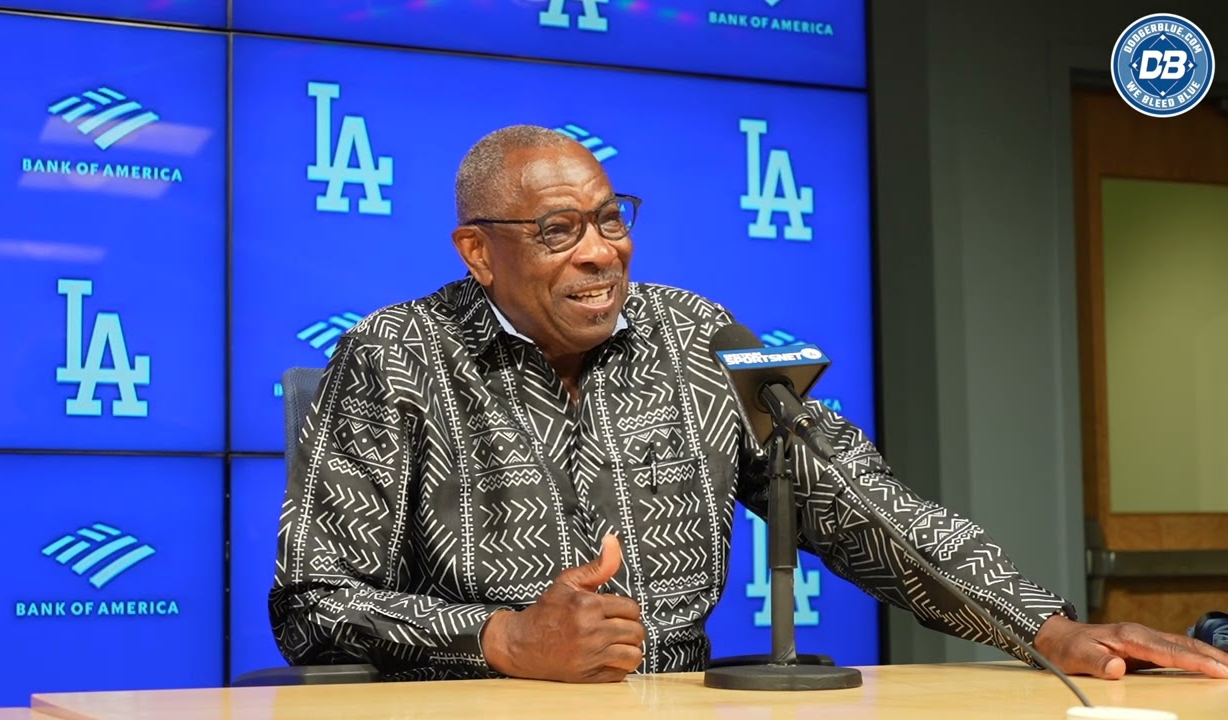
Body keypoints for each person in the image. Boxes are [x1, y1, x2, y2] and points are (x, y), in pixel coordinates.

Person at [268, 125, 1228, 684]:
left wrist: (1047, 629)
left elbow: (859, 504)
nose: (603, 253)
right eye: (559, 231)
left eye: (611, 219)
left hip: (676, 703)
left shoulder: (700, 337)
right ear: (478, 252)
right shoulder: (392, 356)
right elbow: (311, 604)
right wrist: (503, 638)